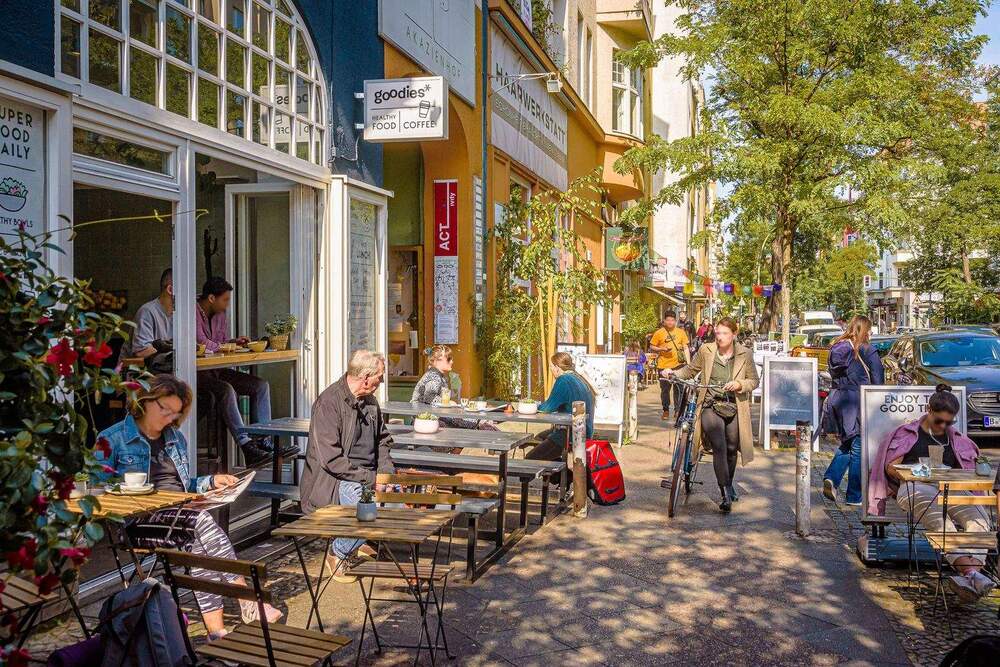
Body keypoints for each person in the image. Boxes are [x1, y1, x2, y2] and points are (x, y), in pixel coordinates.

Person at [97, 375, 283, 641]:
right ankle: (248, 600)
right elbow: (96, 491)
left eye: (174, 413)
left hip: (180, 516)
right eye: (164, 409)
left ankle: (216, 633)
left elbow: (185, 484)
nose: (169, 418)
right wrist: (134, 494)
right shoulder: (112, 439)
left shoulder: (175, 438)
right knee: (201, 522)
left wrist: (211, 482)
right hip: (140, 522)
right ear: (144, 401)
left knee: (198, 546)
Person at [868, 384, 994, 602]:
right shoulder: (908, 433)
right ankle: (972, 573)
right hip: (915, 486)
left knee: (980, 521)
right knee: (942, 524)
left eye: (949, 422)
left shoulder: (957, 439)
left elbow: (969, 469)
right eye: (939, 421)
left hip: (951, 488)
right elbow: (890, 467)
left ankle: (969, 577)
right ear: (929, 410)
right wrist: (915, 470)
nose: (943, 425)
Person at [299, 350, 396, 580]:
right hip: (338, 480)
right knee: (371, 516)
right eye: (380, 376)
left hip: (368, 475)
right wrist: (371, 479)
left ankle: (359, 541)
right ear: (365, 378)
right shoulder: (329, 403)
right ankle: (339, 551)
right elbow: (331, 460)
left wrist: (385, 473)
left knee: (408, 508)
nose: (382, 381)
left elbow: (383, 440)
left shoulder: (370, 401)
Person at [662, 317, 759, 513]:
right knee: (719, 445)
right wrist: (672, 373)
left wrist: (740, 384)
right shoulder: (706, 350)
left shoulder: (745, 354)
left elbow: (754, 380)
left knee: (732, 448)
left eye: (725, 333)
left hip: (734, 406)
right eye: (717, 333)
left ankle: (728, 483)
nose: (720, 337)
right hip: (709, 404)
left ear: (734, 334)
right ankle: (724, 494)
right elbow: (690, 370)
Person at [196, 277, 284, 467]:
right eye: (225, 300)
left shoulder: (220, 314)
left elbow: (220, 342)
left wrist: (233, 342)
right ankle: (247, 447)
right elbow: (201, 342)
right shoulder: (191, 311)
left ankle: (263, 442)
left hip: (217, 369)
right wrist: (226, 346)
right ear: (211, 298)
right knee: (226, 389)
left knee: (260, 386)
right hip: (197, 374)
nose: (227, 304)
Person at [822, 315, 884, 506]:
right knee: (859, 448)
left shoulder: (837, 348)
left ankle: (832, 478)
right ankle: (854, 495)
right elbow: (878, 380)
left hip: (839, 401)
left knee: (849, 442)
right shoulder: (866, 350)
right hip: (859, 402)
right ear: (866, 330)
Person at [524, 352, 596, 461]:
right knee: (539, 438)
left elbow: (548, 408)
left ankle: (558, 469)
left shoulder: (564, 380)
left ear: (557, 368)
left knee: (530, 459)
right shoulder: (578, 378)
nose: (551, 370)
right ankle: (558, 468)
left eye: (551, 367)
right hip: (584, 431)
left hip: (569, 434)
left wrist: (532, 405)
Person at [411, 345, 497, 431]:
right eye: (449, 359)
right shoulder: (433, 376)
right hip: (426, 420)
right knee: (474, 421)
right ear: (438, 360)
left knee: (474, 420)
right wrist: (450, 403)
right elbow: (429, 397)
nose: (452, 361)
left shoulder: (437, 375)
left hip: (431, 416)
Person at [649, 311, 690, 420]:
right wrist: (661, 349)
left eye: (672, 320)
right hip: (663, 365)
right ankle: (666, 410)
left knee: (679, 388)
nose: (670, 322)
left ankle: (677, 411)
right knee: (665, 390)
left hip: (679, 365)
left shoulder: (681, 332)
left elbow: (686, 348)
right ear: (664, 321)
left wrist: (689, 364)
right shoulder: (659, 333)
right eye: (668, 320)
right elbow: (652, 346)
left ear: (675, 321)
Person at [128, 267, 173, 359]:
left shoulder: (181, 314)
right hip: (137, 367)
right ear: (170, 290)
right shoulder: (147, 311)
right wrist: (173, 349)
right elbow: (141, 352)